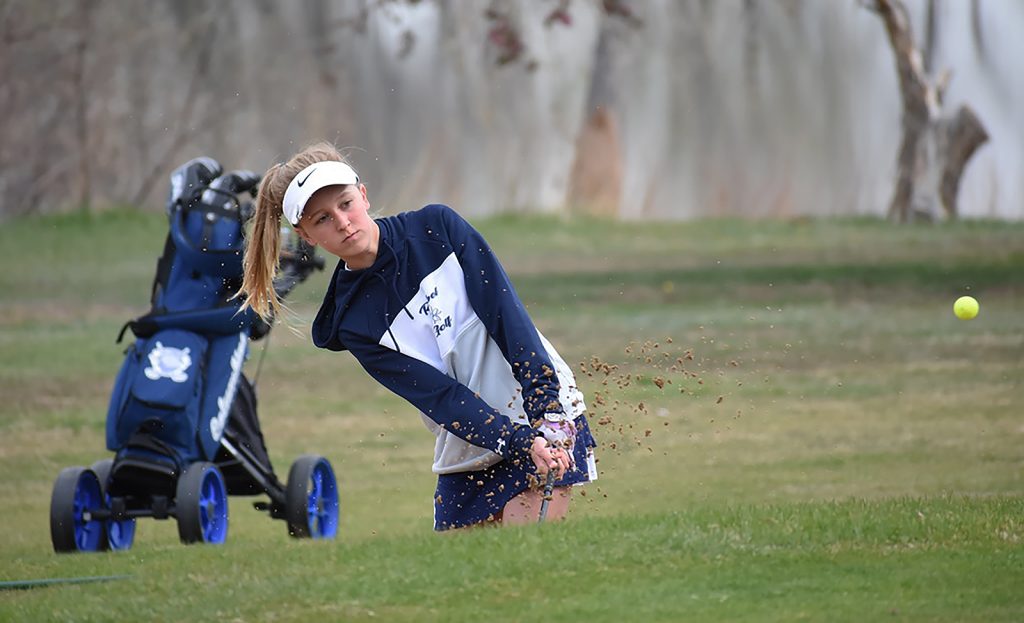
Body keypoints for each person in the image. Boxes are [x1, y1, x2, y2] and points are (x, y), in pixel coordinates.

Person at [239, 142, 597, 530]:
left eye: (345, 204)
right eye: (322, 218)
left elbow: (508, 320)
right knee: (460, 582)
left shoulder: (436, 228)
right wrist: (515, 441)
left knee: (526, 558)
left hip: (540, 411)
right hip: (471, 437)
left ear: (363, 194)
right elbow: (441, 397)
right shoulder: (352, 322)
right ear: (304, 234)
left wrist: (547, 412)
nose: (342, 222)